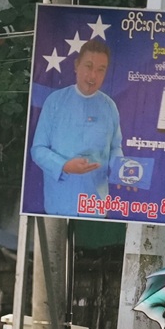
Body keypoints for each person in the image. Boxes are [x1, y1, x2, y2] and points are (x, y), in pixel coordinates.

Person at [30, 39, 123, 216]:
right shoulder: (55, 102)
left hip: (95, 206)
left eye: (100, 70)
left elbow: (115, 147)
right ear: (76, 65)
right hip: (59, 203)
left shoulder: (109, 107)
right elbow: (38, 150)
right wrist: (64, 165)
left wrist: (121, 169)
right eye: (88, 66)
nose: (93, 76)